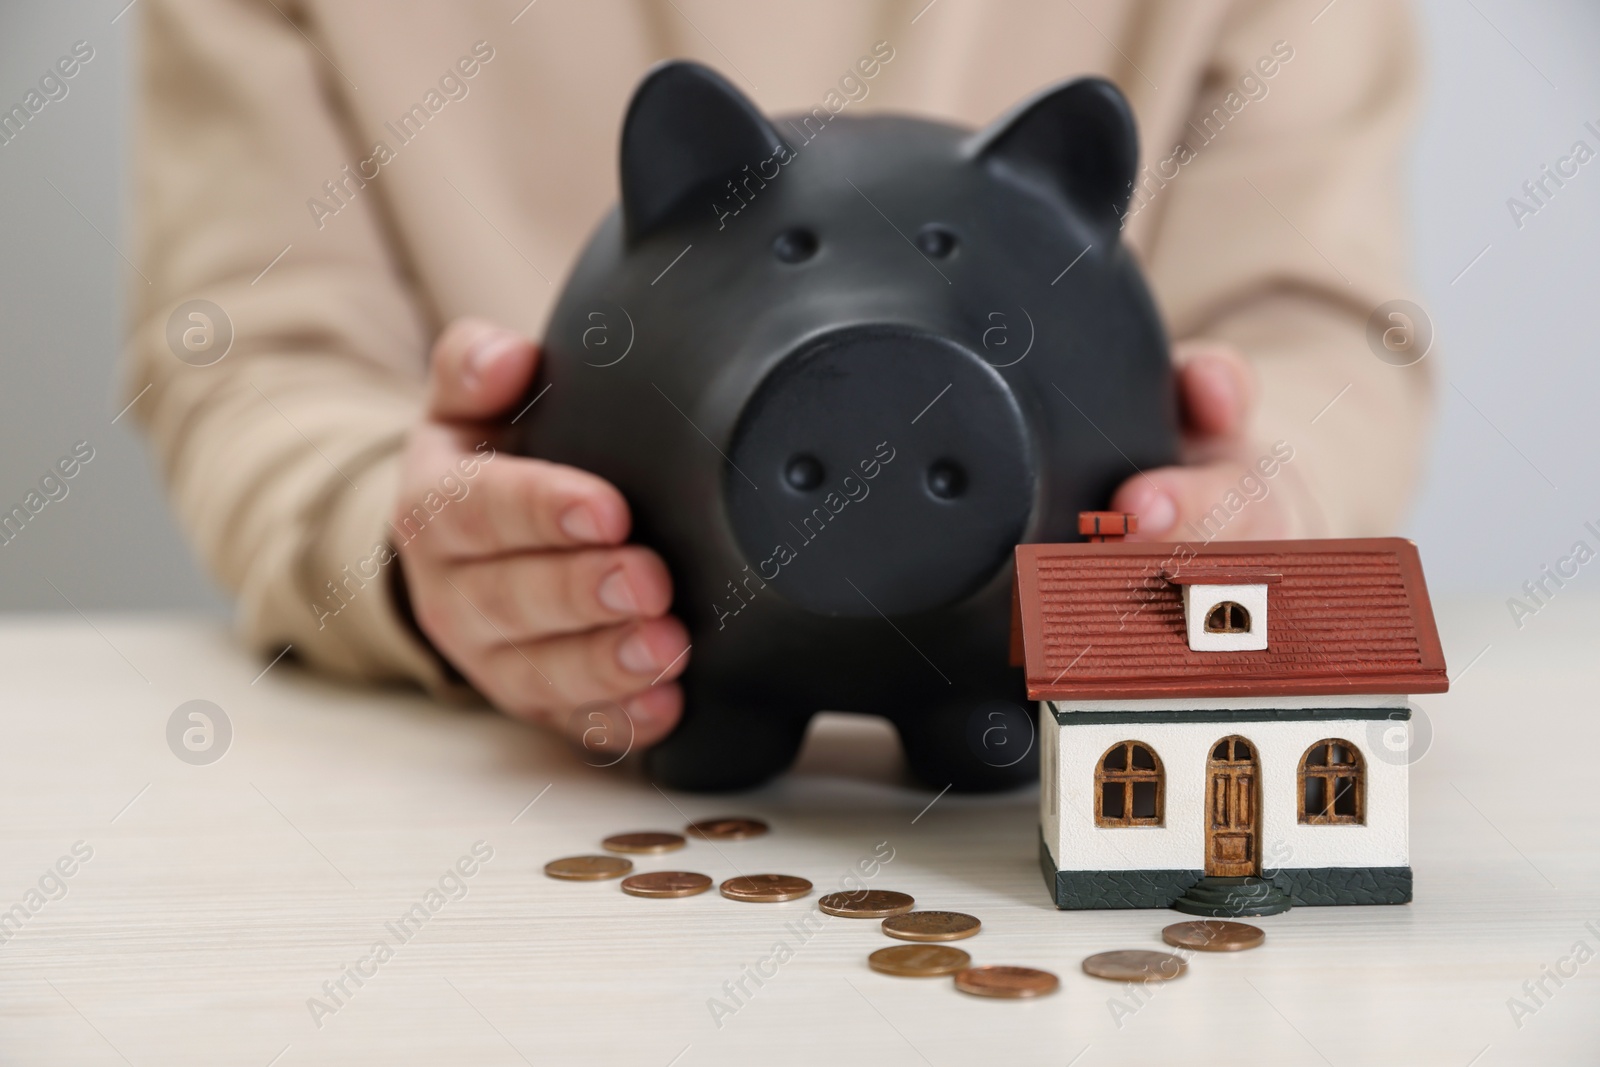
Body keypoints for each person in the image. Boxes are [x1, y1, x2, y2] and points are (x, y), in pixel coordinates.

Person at [126, 0, 1431, 752]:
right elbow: (253, 347)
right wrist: (411, 543)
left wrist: (1263, 497)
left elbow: (1319, 320)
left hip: (1044, 637)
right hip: (595, 661)